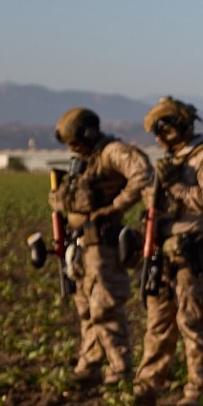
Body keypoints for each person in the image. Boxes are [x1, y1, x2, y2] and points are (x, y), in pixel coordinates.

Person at [133, 97, 203, 406]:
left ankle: (196, 389)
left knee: (194, 323)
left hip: (191, 255)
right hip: (160, 254)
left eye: (163, 129)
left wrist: (177, 188)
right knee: (158, 324)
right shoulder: (168, 162)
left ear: (181, 127)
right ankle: (147, 385)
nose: (158, 138)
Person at [48, 107, 152, 388]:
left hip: (103, 245)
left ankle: (120, 368)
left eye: (75, 142)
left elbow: (143, 175)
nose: (73, 148)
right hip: (79, 244)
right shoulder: (85, 161)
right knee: (85, 308)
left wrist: (114, 207)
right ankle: (90, 363)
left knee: (105, 307)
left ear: (89, 133)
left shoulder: (113, 152)